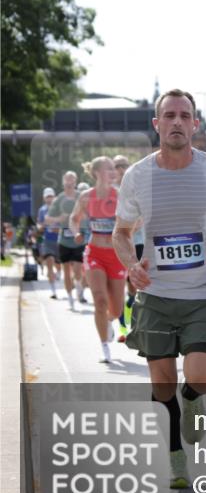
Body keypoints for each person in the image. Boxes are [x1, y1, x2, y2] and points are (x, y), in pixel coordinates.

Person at [112, 89, 206, 489]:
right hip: (155, 294)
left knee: (201, 378)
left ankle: (193, 398)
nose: (175, 122)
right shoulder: (137, 175)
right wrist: (132, 266)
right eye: (168, 115)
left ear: (194, 124)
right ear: (157, 124)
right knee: (161, 383)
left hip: (204, 291)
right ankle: (175, 458)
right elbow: (121, 233)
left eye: (183, 116)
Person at [70, 156, 126, 363]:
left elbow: (136, 219)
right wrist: (76, 231)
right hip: (94, 253)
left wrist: (131, 227)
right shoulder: (86, 197)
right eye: (109, 169)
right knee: (100, 300)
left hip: (116, 255)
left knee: (117, 308)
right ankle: (104, 348)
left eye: (114, 169)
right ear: (96, 173)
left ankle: (110, 321)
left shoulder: (120, 196)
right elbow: (74, 218)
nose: (113, 173)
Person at [45, 171, 86, 309]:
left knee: (78, 271)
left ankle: (79, 286)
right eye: (67, 181)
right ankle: (70, 298)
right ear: (63, 182)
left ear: (75, 182)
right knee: (67, 270)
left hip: (78, 238)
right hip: (63, 240)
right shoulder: (59, 199)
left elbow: (89, 213)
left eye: (72, 181)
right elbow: (47, 219)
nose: (69, 183)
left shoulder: (81, 196)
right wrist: (59, 219)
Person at [113, 154, 143, 342]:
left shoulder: (137, 188)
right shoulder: (110, 192)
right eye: (117, 166)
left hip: (138, 243)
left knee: (135, 288)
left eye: (124, 165)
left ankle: (133, 326)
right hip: (117, 246)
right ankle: (123, 328)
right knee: (121, 290)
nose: (121, 169)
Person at [37, 187, 61, 299]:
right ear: (44, 198)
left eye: (51, 196)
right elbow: (39, 224)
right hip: (47, 240)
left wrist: (59, 228)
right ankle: (53, 291)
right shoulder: (42, 210)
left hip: (60, 240)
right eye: (47, 197)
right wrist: (41, 227)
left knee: (58, 264)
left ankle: (59, 272)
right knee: (50, 261)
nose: (49, 199)